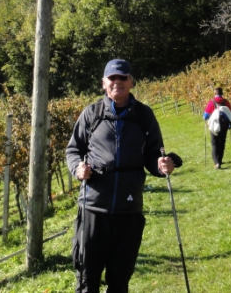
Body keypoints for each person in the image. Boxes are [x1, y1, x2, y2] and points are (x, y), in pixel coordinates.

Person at [66, 58, 176, 293]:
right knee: (87, 280)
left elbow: (154, 154)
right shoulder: (91, 114)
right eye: (112, 78)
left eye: (122, 77)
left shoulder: (144, 115)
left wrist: (162, 165)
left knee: (119, 281)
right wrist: (77, 168)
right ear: (104, 83)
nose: (117, 82)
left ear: (131, 82)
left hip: (129, 211)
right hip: (93, 209)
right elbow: (73, 149)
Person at [203, 87, 231, 169]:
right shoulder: (226, 102)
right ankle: (220, 160)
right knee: (222, 142)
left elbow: (205, 115)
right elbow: (230, 113)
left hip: (214, 126)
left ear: (215, 94)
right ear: (222, 93)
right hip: (224, 126)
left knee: (214, 143)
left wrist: (206, 118)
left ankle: (217, 162)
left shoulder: (212, 102)